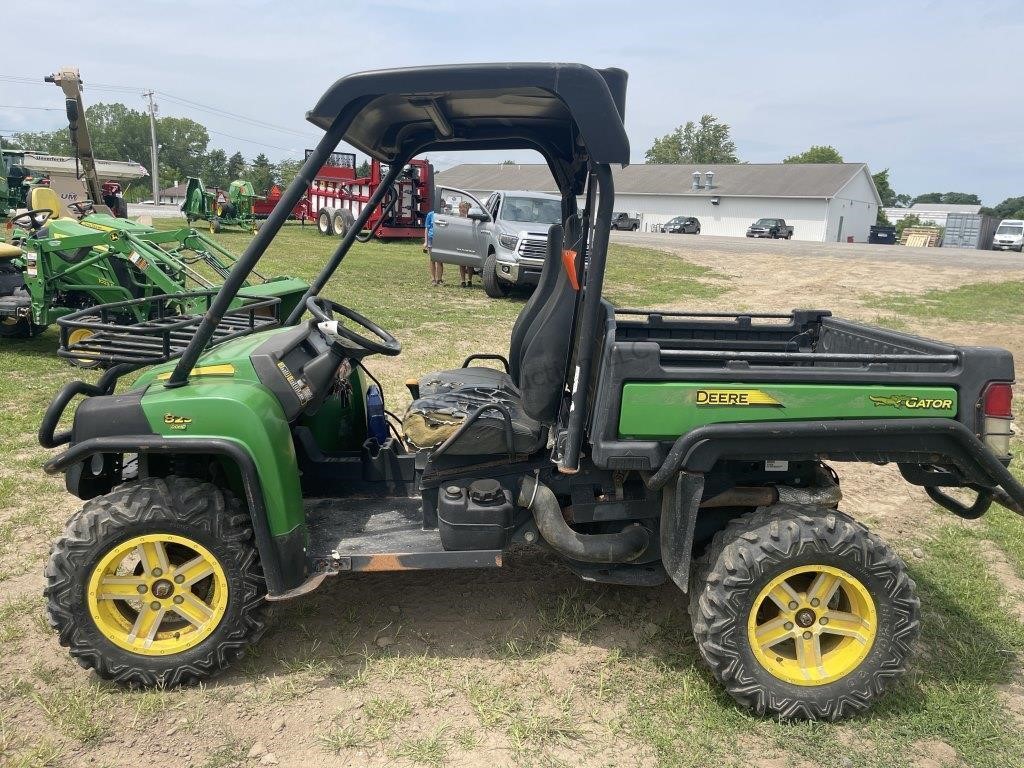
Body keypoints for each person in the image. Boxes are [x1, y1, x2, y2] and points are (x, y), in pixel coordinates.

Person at [423, 206, 443, 285]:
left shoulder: (443, 214)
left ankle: (439, 279)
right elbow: (427, 228)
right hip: (431, 238)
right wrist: (426, 241)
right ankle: (433, 279)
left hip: (441, 239)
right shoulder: (430, 214)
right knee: (432, 259)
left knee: (440, 260)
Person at [457, 200, 474, 288]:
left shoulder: (471, 218)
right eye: (460, 207)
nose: (462, 209)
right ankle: (463, 280)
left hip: (470, 241)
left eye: (464, 207)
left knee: (470, 262)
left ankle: (470, 280)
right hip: (461, 241)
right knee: (461, 262)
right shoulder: (457, 218)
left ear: (468, 208)